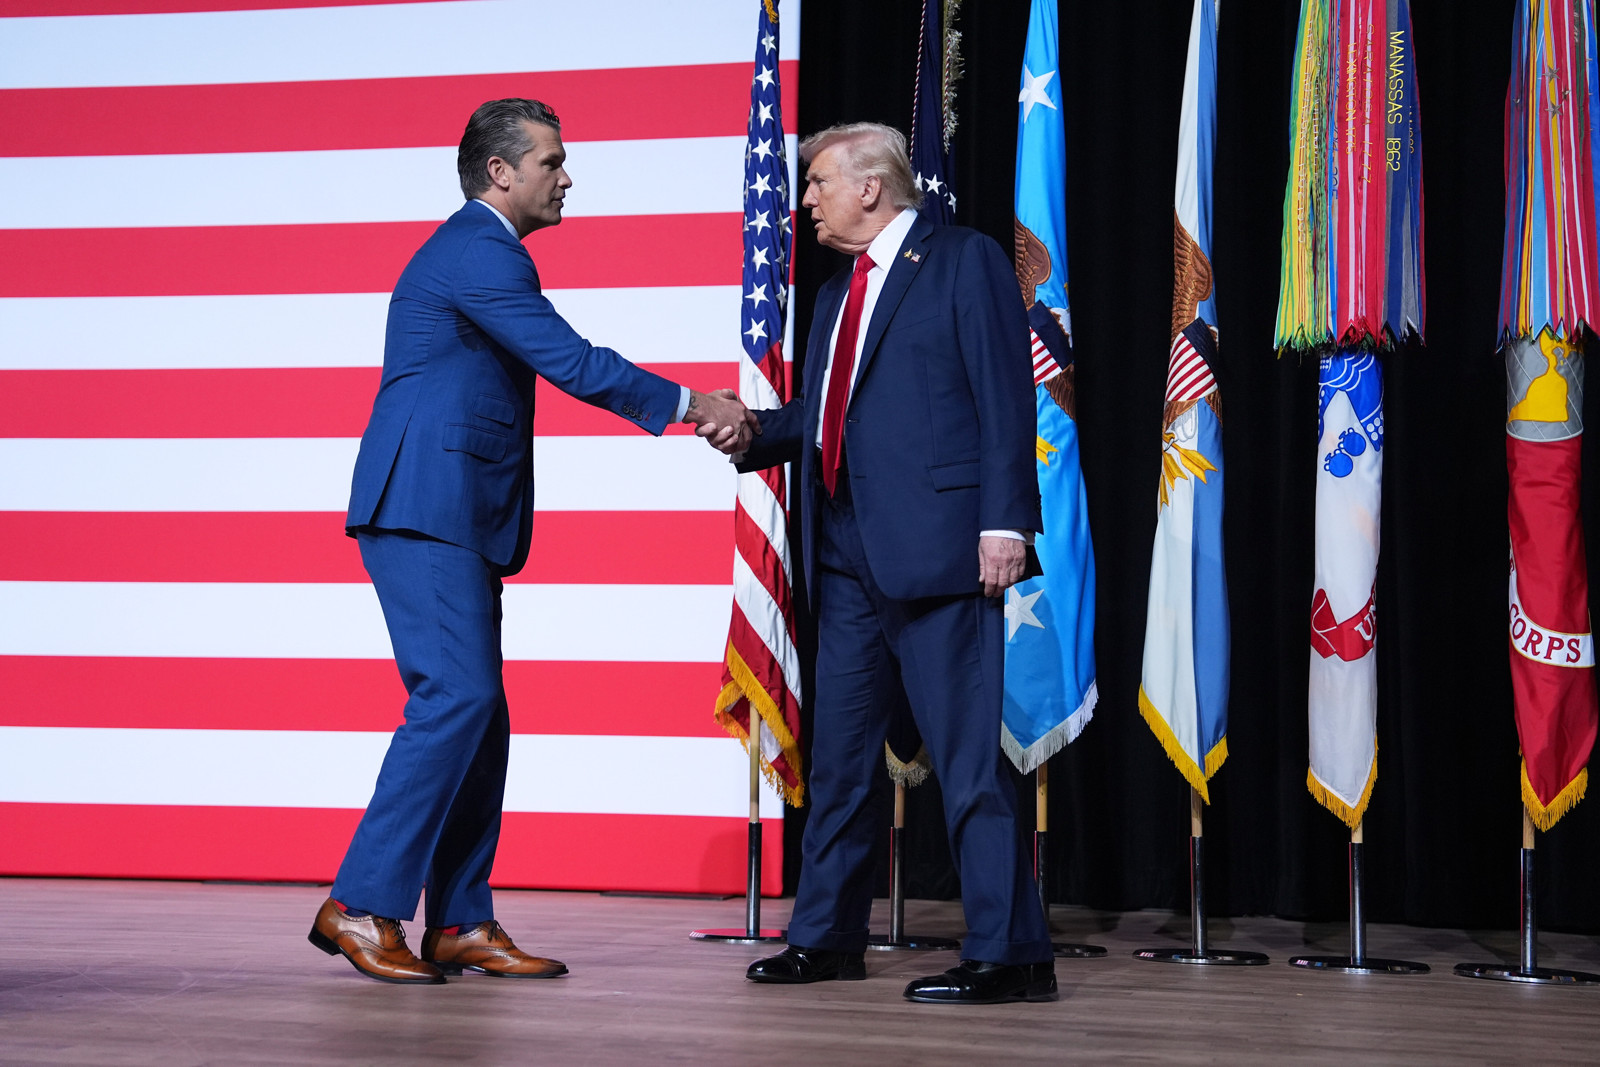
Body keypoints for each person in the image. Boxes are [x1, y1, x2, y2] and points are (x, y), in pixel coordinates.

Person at [308, 98, 755, 985]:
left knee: (481, 715)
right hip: (427, 508)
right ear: (500, 171)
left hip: (456, 514)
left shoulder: (482, 250)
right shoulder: (479, 249)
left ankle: (460, 919)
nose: (567, 176)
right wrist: (695, 404)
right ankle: (359, 904)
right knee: (458, 697)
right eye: (552, 161)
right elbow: (572, 361)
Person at [738, 123, 1056, 1004]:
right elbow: (828, 415)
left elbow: (1004, 392)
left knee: (966, 760)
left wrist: (1005, 522)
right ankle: (826, 936)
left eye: (818, 184)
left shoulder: (962, 260)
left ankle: (1011, 951)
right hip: (845, 555)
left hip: (945, 549)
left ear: (870, 186)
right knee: (838, 762)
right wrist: (750, 429)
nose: (805, 202)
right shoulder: (835, 292)